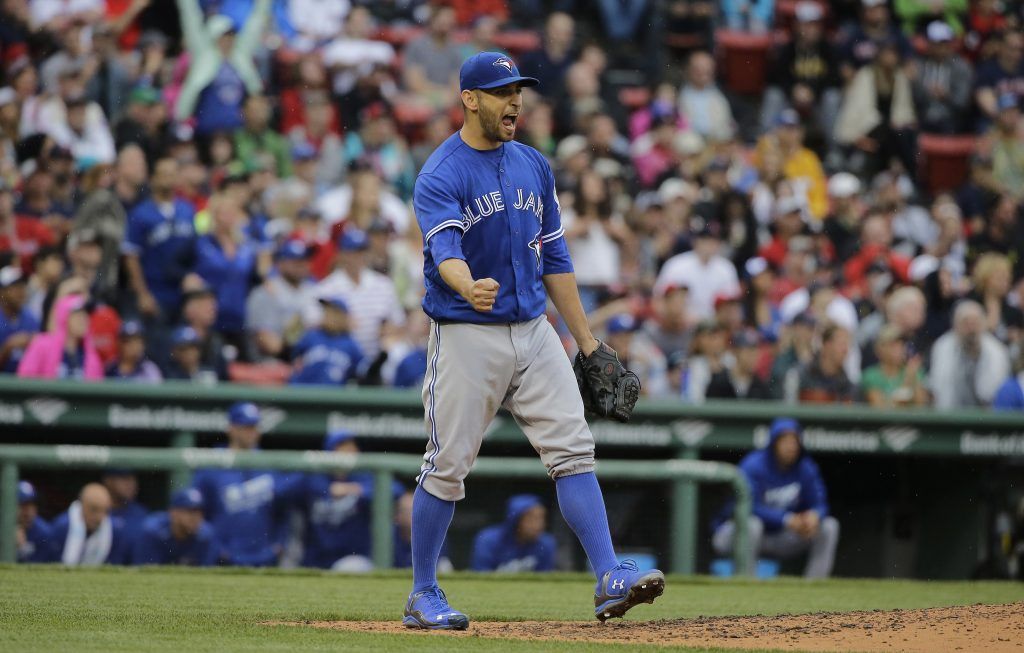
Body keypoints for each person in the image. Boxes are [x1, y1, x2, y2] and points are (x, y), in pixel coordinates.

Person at [403, 52, 664, 631]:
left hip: (535, 330)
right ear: (469, 98)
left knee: (574, 451)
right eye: (500, 92)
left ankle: (608, 576)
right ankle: (423, 594)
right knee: (447, 466)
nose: (514, 101)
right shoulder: (441, 172)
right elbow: (443, 250)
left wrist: (588, 343)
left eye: (517, 90)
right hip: (469, 333)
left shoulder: (533, 165)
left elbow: (556, 258)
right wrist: (467, 285)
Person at [711, 417, 840, 578]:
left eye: (794, 441)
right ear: (774, 443)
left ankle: (814, 585)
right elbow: (749, 506)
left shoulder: (806, 467)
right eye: (784, 441)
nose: (790, 446)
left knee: (829, 526)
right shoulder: (753, 465)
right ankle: (745, 582)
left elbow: (820, 503)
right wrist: (786, 519)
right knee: (752, 524)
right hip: (734, 535)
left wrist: (814, 515)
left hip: (781, 537)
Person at [191, 402, 301, 567]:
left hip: (264, 558)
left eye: (254, 426)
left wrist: (278, 546)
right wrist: (216, 549)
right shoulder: (212, 464)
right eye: (245, 426)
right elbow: (196, 512)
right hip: (222, 559)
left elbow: (282, 510)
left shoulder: (269, 464)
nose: (252, 432)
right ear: (231, 428)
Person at [299, 430, 401, 570]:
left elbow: (396, 490)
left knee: (351, 567)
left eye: (351, 447)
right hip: (316, 557)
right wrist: (310, 462)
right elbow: (284, 488)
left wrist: (354, 489)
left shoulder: (363, 477)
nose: (348, 451)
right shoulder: (314, 478)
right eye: (341, 447)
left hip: (355, 557)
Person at [173, 0, 272, 135]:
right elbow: (190, 17)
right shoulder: (203, 56)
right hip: (207, 128)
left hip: (238, 128)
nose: (228, 40)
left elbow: (256, 21)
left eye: (231, 36)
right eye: (224, 36)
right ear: (213, 36)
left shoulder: (241, 55)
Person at [123, 157, 197, 324]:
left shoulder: (187, 209)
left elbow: (194, 250)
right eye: (163, 174)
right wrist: (142, 294)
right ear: (153, 178)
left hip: (183, 292)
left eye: (172, 174)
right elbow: (131, 257)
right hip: (155, 292)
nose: (168, 179)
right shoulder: (140, 214)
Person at [245, 239, 317, 362]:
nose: (302, 265)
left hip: (310, 358)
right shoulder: (265, 292)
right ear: (280, 264)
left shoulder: (314, 290)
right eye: (296, 261)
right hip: (273, 361)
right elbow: (269, 344)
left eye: (305, 260)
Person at [930, 300, 1010, 409]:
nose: (971, 329)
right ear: (956, 325)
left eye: (975, 323)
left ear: (983, 324)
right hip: (950, 414)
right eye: (966, 323)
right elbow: (937, 387)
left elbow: (997, 390)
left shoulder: (996, 351)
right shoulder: (942, 347)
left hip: (986, 416)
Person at [17, 294, 103, 380]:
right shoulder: (42, 344)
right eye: (77, 314)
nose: (83, 319)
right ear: (64, 316)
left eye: (85, 314)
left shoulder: (92, 357)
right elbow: (25, 378)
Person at [47, 482, 130, 565]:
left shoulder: (115, 530)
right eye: (94, 509)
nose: (100, 517)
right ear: (82, 506)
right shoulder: (61, 527)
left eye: (105, 511)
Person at [471, 494, 557, 573]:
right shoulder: (488, 540)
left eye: (541, 518)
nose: (539, 524)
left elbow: (544, 579)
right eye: (531, 519)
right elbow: (481, 575)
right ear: (515, 520)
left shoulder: (546, 543)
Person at [289, 296, 364, 386]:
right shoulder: (311, 336)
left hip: (333, 396)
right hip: (302, 393)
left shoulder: (352, 345)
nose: (327, 315)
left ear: (343, 317)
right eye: (326, 311)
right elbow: (293, 358)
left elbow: (360, 372)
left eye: (333, 312)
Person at [132, 488, 217, 566]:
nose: (196, 517)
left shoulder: (206, 534)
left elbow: (205, 571)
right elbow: (145, 570)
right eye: (190, 511)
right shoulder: (152, 531)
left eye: (199, 512)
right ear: (173, 513)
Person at [0, 265, 40, 373]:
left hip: (26, 384)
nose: (21, 292)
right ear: (2, 292)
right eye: (15, 287)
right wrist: (8, 347)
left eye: (23, 286)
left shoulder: (31, 318)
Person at [102, 469, 148, 541]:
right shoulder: (98, 512)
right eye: (125, 478)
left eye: (133, 479)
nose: (131, 484)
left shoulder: (141, 513)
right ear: (109, 481)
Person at [16, 480, 53, 563]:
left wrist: (22, 548)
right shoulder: (4, 528)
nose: (28, 510)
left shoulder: (44, 532)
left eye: (32, 504)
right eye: (23, 504)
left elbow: (40, 570)